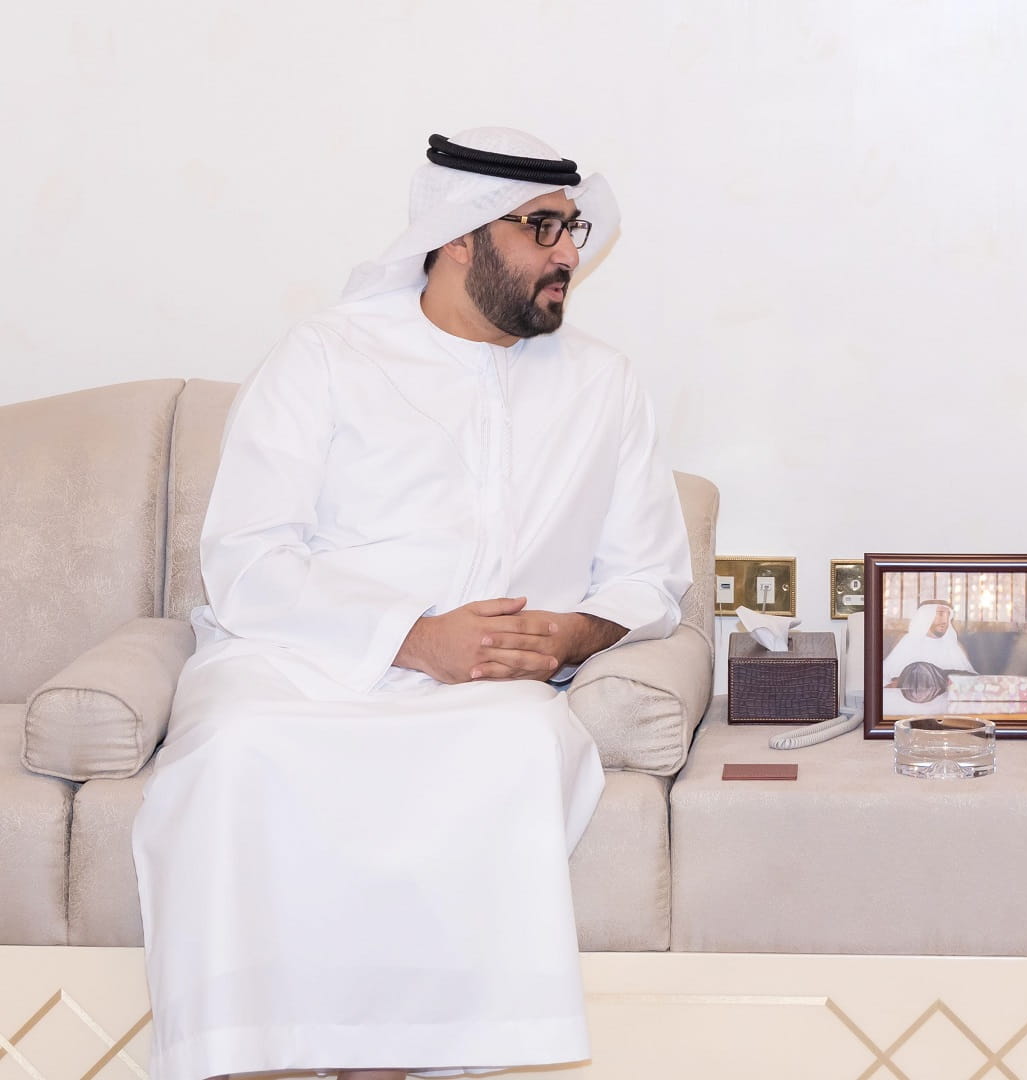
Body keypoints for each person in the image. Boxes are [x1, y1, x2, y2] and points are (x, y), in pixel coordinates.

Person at [130, 128, 694, 1080]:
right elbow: (247, 559)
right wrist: (413, 638)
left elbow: (650, 575)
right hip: (302, 666)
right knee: (237, 749)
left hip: (487, 690)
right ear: (460, 237)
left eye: (573, 228)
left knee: (517, 746)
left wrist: (573, 633)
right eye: (542, 228)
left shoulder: (603, 382)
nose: (568, 252)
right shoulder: (326, 356)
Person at [881, 598, 976, 682]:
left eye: (948, 615)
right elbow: (886, 676)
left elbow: (968, 679)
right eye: (940, 614)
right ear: (926, 616)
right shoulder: (907, 642)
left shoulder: (954, 645)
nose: (945, 621)